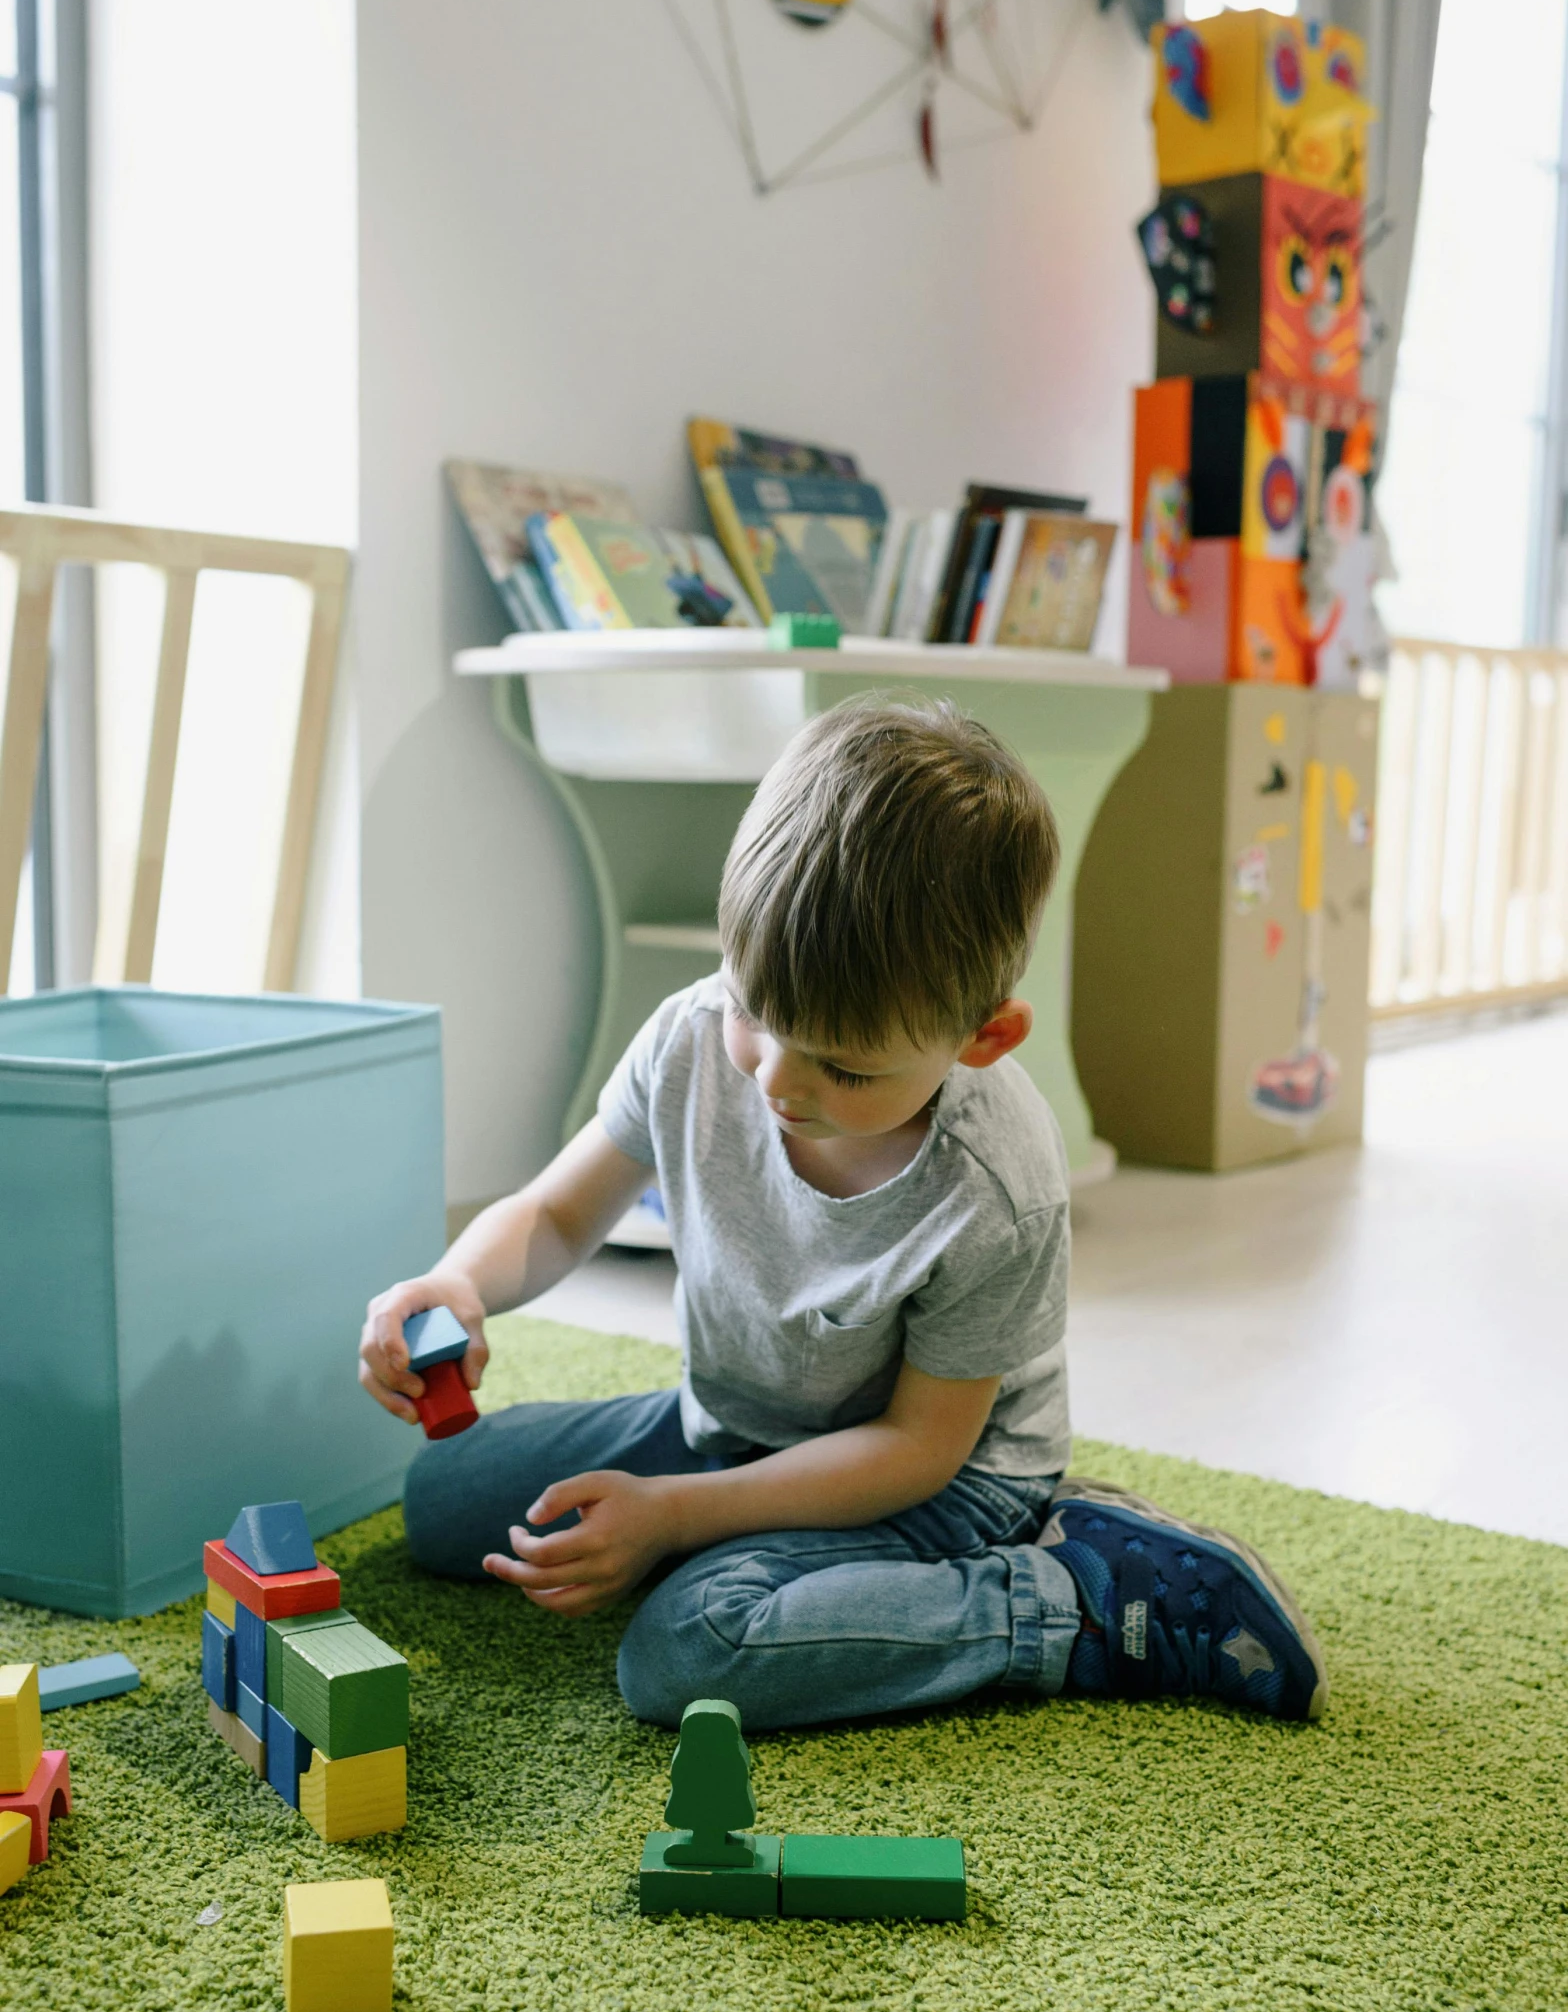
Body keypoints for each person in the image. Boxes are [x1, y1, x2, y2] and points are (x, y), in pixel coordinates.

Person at [361, 697, 1326, 1732]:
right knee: (446, 1499)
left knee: (686, 1654)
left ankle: (1068, 1594)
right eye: (751, 1013)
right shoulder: (690, 1036)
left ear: (984, 1037)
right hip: (738, 1420)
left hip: (940, 1480)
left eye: (844, 1064)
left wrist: (676, 1513)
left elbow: (918, 1446)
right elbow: (554, 1216)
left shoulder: (990, 1180)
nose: (775, 1080)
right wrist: (459, 1280)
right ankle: (734, 1528)